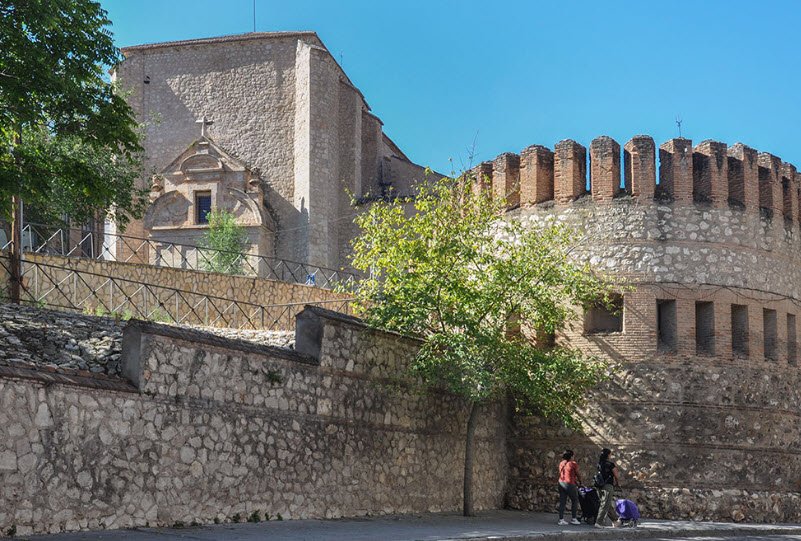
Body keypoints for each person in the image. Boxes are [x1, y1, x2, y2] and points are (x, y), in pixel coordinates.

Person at [594, 448, 621, 528]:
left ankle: (615, 521)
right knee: (605, 504)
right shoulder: (610, 464)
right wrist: (617, 483)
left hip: (599, 486)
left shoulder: (599, 464)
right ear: (608, 455)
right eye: (610, 454)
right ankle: (599, 522)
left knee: (607, 504)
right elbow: (616, 475)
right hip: (607, 486)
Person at [557, 450, 582, 525]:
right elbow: (577, 474)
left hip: (561, 482)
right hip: (569, 484)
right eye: (573, 455)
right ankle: (574, 518)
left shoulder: (561, 463)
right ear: (571, 456)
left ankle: (561, 519)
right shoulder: (573, 464)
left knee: (562, 501)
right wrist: (580, 481)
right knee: (574, 500)